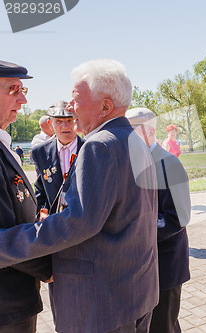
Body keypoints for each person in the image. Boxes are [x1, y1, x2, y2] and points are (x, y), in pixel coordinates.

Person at [0, 59, 159, 333]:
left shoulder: (100, 145)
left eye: (75, 99)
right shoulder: (132, 138)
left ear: (105, 106)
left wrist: (5, 244)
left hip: (100, 303)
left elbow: (79, 221)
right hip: (133, 291)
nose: (70, 109)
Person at [126, 108, 191, 333]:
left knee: (164, 325)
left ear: (151, 131)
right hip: (141, 264)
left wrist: (134, 232)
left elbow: (178, 218)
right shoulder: (133, 162)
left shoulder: (170, 164)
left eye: (133, 132)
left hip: (165, 264)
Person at [0, 60, 52, 332]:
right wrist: (50, 266)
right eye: (13, 89)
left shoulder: (4, 144)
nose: (22, 99)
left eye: (23, 90)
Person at [30, 101, 84, 217]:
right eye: (59, 121)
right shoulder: (40, 152)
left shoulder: (90, 148)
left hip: (85, 221)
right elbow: (41, 190)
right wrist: (41, 213)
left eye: (70, 120)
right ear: (50, 124)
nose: (65, 127)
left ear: (77, 121)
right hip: (55, 221)